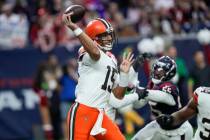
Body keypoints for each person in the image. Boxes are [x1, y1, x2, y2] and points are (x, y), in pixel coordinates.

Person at [62, 13, 134, 140]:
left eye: (109, 34)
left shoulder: (111, 59)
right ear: (93, 38)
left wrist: (124, 74)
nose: (109, 38)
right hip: (83, 110)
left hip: (100, 114)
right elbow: (95, 53)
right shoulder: (86, 50)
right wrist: (75, 28)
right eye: (104, 35)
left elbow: (118, 95)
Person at [131, 56, 193, 140]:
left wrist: (143, 92)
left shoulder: (170, 86)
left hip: (178, 130)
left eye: (161, 71)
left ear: (169, 73)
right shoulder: (152, 84)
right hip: (159, 126)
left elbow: (163, 96)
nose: (156, 72)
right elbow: (137, 105)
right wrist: (134, 91)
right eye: (156, 69)